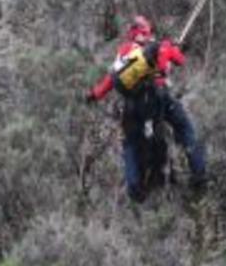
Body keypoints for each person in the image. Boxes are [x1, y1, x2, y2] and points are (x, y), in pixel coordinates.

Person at [87, 15, 206, 202]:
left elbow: (112, 79)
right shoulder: (161, 46)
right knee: (184, 128)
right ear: (147, 32)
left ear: (132, 34)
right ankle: (199, 173)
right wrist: (176, 48)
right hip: (159, 98)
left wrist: (93, 94)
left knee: (130, 144)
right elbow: (180, 60)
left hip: (133, 104)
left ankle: (135, 188)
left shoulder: (125, 52)